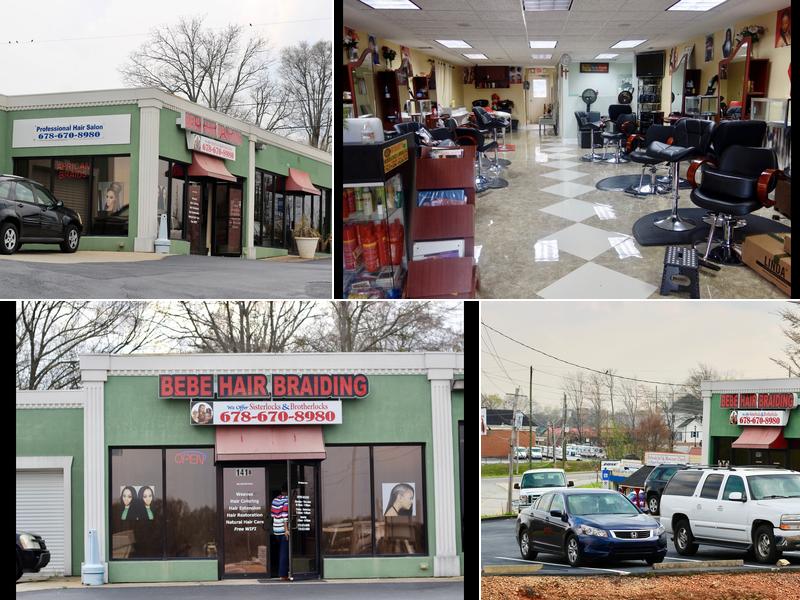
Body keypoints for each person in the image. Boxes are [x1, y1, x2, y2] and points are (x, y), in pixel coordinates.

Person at [271, 487, 290, 580]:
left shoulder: (274, 500)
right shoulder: (286, 500)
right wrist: (286, 529)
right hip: (283, 530)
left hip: (276, 530)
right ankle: (283, 575)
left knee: (280, 551)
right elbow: (285, 516)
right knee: (284, 553)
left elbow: (273, 515)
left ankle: (282, 573)